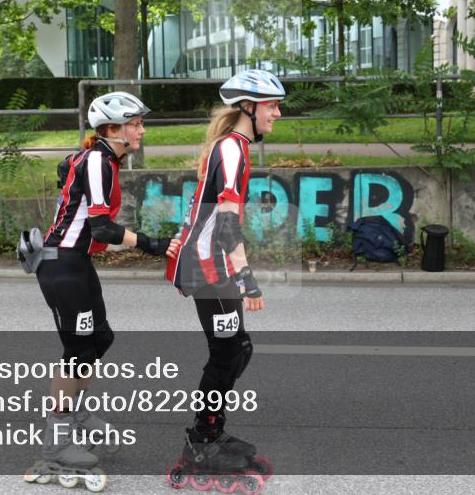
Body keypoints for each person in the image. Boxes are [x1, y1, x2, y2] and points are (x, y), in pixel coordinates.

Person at [19, 91, 179, 486]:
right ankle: (55, 446)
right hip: (61, 265)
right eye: (136, 123)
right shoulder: (98, 161)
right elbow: (102, 229)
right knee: (77, 352)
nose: (142, 129)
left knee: (99, 339)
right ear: (113, 129)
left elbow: (70, 183)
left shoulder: (102, 159)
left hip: (76, 263)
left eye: (141, 122)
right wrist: (153, 245)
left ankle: (74, 412)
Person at [165, 69, 284, 479]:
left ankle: (210, 432)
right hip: (207, 266)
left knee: (238, 348)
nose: (278, 113)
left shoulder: (234, 147)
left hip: (213, 263)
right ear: (248, 108)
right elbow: (228, 224)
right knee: (227, 353)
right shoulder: (231, 149)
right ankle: (202, 443)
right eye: (272, 105)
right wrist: (246, 277)